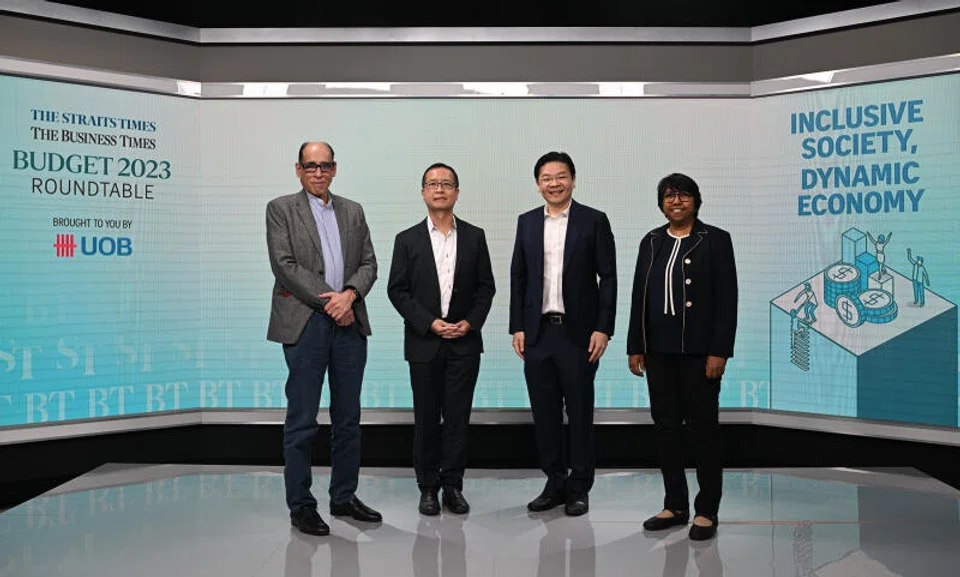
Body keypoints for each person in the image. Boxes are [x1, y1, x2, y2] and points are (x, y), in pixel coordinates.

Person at [266, 141, 381, 536]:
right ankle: (301, 504)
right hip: (306, 322)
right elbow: (285, 266)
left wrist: (349, 295)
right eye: (310, 166)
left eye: (325, 166)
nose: (318, 173)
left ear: (335, 168)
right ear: (298, 169)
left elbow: (369, 262)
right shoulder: (280, 208)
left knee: (348, 418)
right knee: (302, 420)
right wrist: (331, 302)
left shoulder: (353, 210)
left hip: (350, 321)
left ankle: (343, 497)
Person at [627, 173, 737, 541]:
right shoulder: (652, 240)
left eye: (683, 195)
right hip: (658, 353)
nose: (676, 202)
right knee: (666, 429)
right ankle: (675, 505)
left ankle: (707, 510)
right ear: (660, 203)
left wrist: (719, 350)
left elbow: (727, 300)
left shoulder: (716, 240)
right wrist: (635, 345)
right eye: (669, 196)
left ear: (696, 200)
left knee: (703, 430)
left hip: (699, 355)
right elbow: (638, 296)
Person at [509, 151, 617, 517]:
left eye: (561, 176)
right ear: (537, 183)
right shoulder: (526, 222)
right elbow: (518, 277)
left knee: (581, 413)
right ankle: (554, 482)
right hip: (538, 334)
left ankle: (579, 486)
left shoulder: (594, 221)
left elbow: (609, 277)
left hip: (579, 335)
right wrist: (518, 327)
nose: (554, 183)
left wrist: (604, 328)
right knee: (545, 414)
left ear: (573, 179)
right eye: (546, 178)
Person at [387, 162, 496, 516]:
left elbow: (486, 288)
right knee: (426, 418)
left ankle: (453, 485)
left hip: (464, 342)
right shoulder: (406, 240)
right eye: (432, 183)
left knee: (458, 418)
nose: (439, 189)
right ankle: (427, 487)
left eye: (446, 183)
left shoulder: (475, 236)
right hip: (424, 343)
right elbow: (397, 290)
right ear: (422, 192)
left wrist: (470, 323)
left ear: (457, 192)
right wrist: (429, 322)